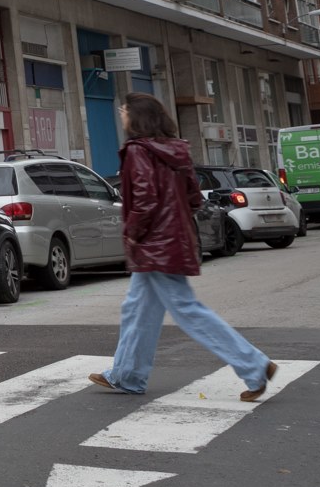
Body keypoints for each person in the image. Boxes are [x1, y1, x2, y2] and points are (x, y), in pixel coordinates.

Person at [89, 91, 277, 400]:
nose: (121, 115)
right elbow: (193, 197)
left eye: (124, 110)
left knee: (187, 310)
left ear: (138, 117)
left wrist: (134, 233)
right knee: (137, 309)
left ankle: (254, 364)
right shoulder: (176, 150)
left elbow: (146, 200)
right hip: (171, 240)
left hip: (154, 244)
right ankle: (127, 375)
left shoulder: (138, 151)